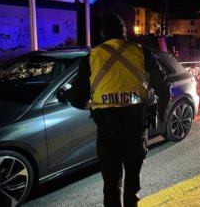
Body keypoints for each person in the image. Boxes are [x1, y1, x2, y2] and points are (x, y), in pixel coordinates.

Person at [68, 12, 170, 207]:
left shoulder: (91, 57)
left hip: (107, 131)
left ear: (102, 33)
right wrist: (162, 113)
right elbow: (163, 87)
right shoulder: (141, 52)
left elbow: (77, 98)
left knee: (111, 186)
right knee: (132, 185)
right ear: (125, 32)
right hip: (136, 129)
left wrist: (83, 101)